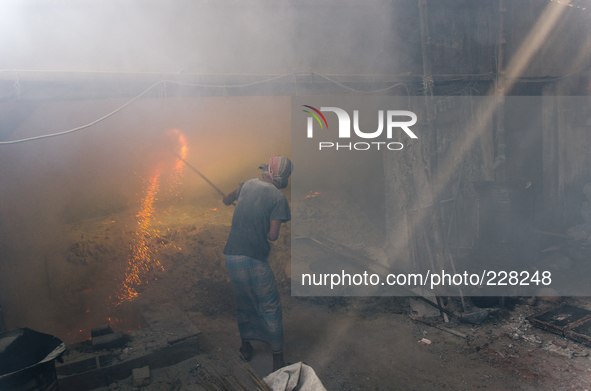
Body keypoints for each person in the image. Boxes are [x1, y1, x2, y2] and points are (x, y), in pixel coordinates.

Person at [222, 155, 293, 372]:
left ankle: (245, 349)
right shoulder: (278, 199)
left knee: (243, 302)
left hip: (232, 255)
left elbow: (226, 199)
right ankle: (277, 361)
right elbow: (272, 235)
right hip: (254, 257)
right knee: (270, 306)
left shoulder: (248, 184)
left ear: (268, 171)